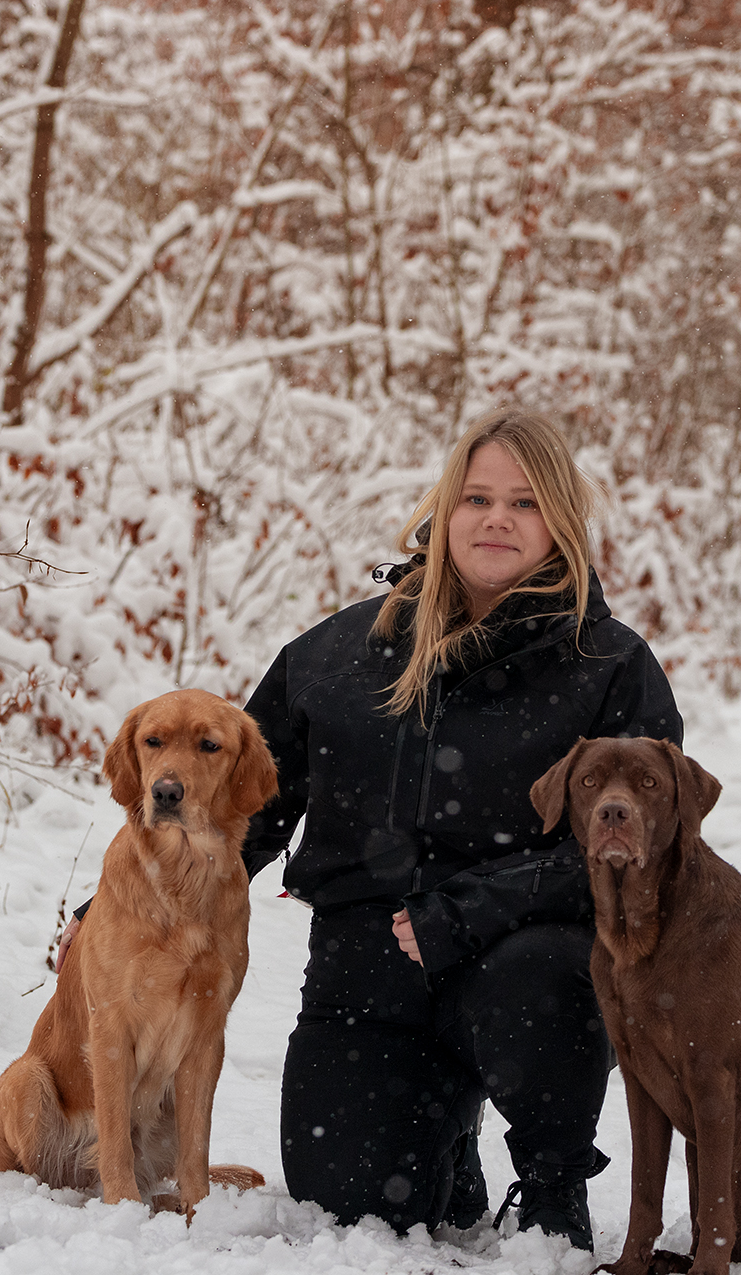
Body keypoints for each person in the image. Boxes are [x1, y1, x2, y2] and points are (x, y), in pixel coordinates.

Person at [236, 408, 683, 1248]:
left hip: (520, 967)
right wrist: (114, 905)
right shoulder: (341, 654)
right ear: (445, 511)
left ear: (560, 520)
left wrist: (475, 908)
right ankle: (446, 1146)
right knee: (353, 1205)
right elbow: (241, 805)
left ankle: (553, 1186)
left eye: (524, 501)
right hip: (365, 973)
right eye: (476, 498)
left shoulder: (608, 665)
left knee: (546, 981)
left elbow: (646, 850)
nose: (496, 519)